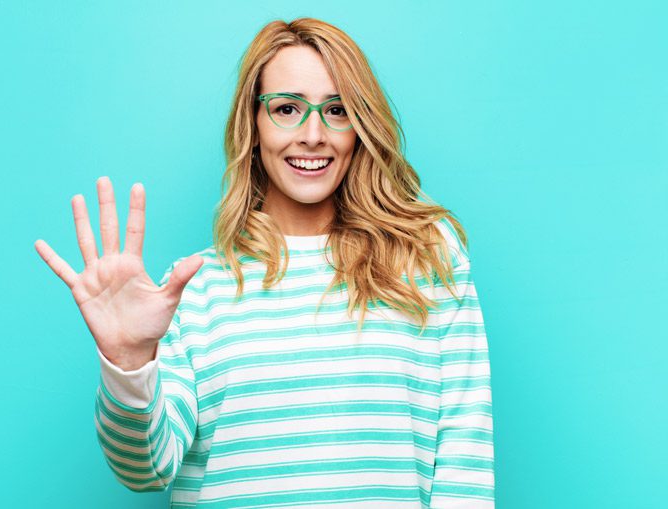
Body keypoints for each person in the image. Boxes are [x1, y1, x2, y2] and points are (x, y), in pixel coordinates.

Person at [35, 17, 494, 509]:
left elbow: (463, 466)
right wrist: (128, 363)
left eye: (337, 110)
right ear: (252, 124)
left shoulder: (427, 258)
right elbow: (145, 468)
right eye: (287, 108)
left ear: (360, 128)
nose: (313, 134)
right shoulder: (195, 290)